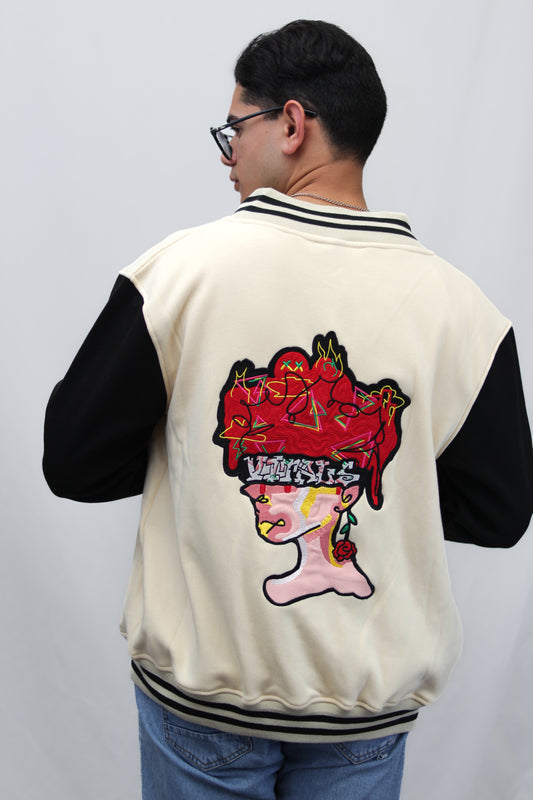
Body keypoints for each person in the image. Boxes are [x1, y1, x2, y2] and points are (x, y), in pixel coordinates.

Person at [43, 19, 533, 800]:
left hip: (207, 700)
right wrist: (369, 477)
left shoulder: (179, 275)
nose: (227, 154)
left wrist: (200, 463)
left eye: (234, 129)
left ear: (292, 124)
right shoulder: (460, 310)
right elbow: (499, 511)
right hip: (362, 713)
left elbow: (73, 462)